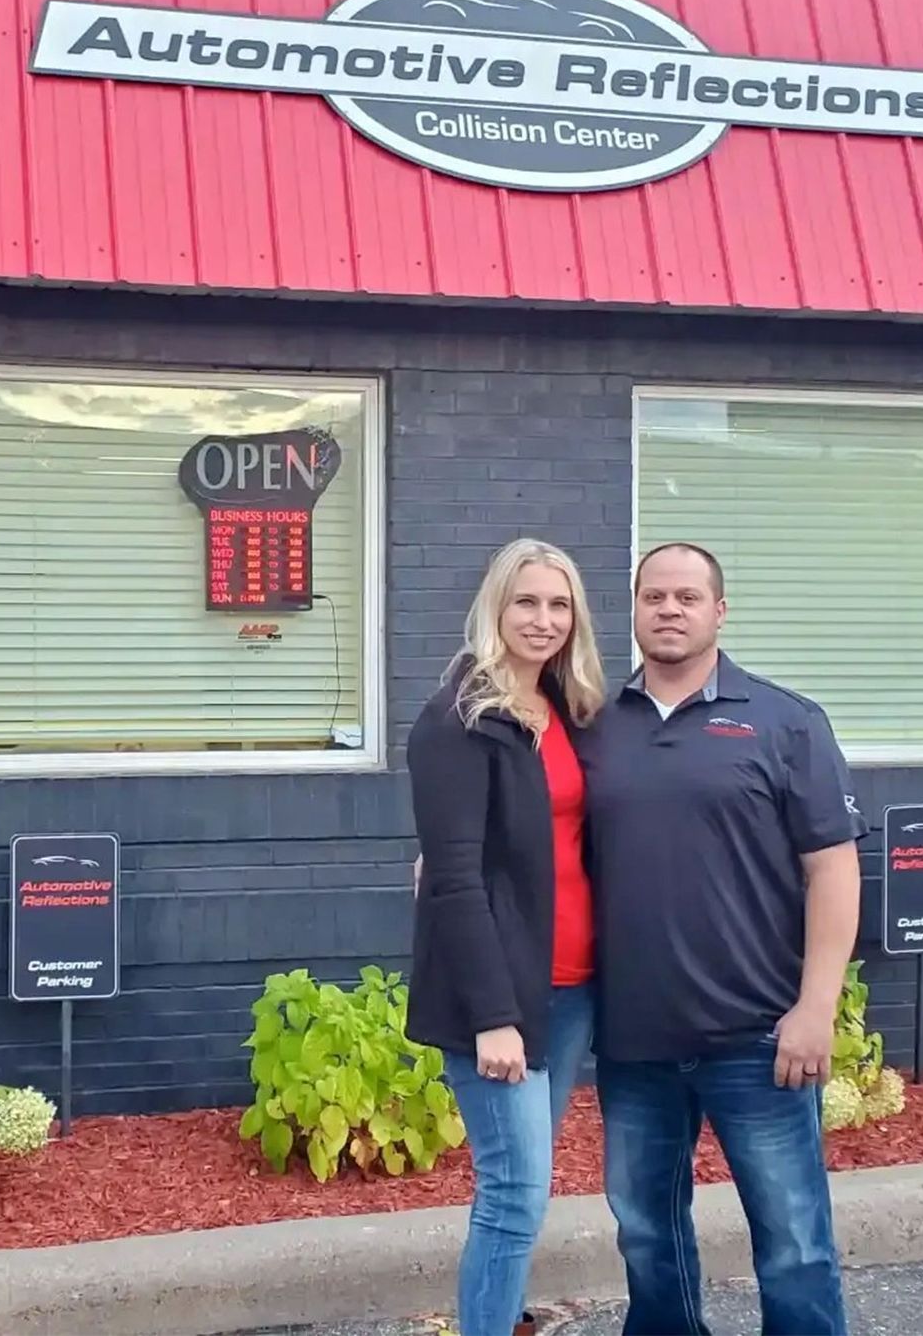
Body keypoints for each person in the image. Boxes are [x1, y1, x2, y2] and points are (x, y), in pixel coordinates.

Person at [578, 541, 865, 1336]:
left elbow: (833, 872)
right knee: (646, 1236)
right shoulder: (593, 724)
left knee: (794, 1244)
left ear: (719, 611)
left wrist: (817, 1008)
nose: (669, 610)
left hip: (758, 1037)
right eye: (653, 596)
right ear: (633, 609)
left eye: (687, 597)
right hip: (635, 1041)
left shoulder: (785, 722)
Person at [404, 538, 607, 1336]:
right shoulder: (457, 721)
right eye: (527, 602)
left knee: (526, 1185)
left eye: (559, 605)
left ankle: (505, 1315)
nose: (544, 620)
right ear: (495, 606)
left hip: (573, 987)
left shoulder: (570, 710)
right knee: (515, 1192)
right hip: (505, 998)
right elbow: (453, 880)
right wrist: (493, 1016)